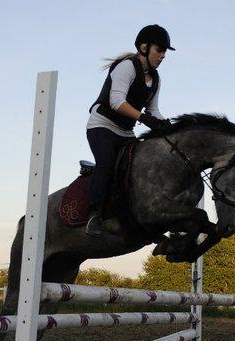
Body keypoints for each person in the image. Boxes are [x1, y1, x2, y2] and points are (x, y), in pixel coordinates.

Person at [85, 24, 174, 237]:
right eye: (159, 50)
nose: (162, 56)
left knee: (138, 168)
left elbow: (154, 110)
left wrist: (168, 127)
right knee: (106, 164)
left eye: (164, 52)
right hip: (102, 126)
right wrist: (143, 118)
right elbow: (117, 102)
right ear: (144, 47)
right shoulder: (126, 67)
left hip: (125, 132)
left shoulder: (156, 79)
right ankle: (93, 215)